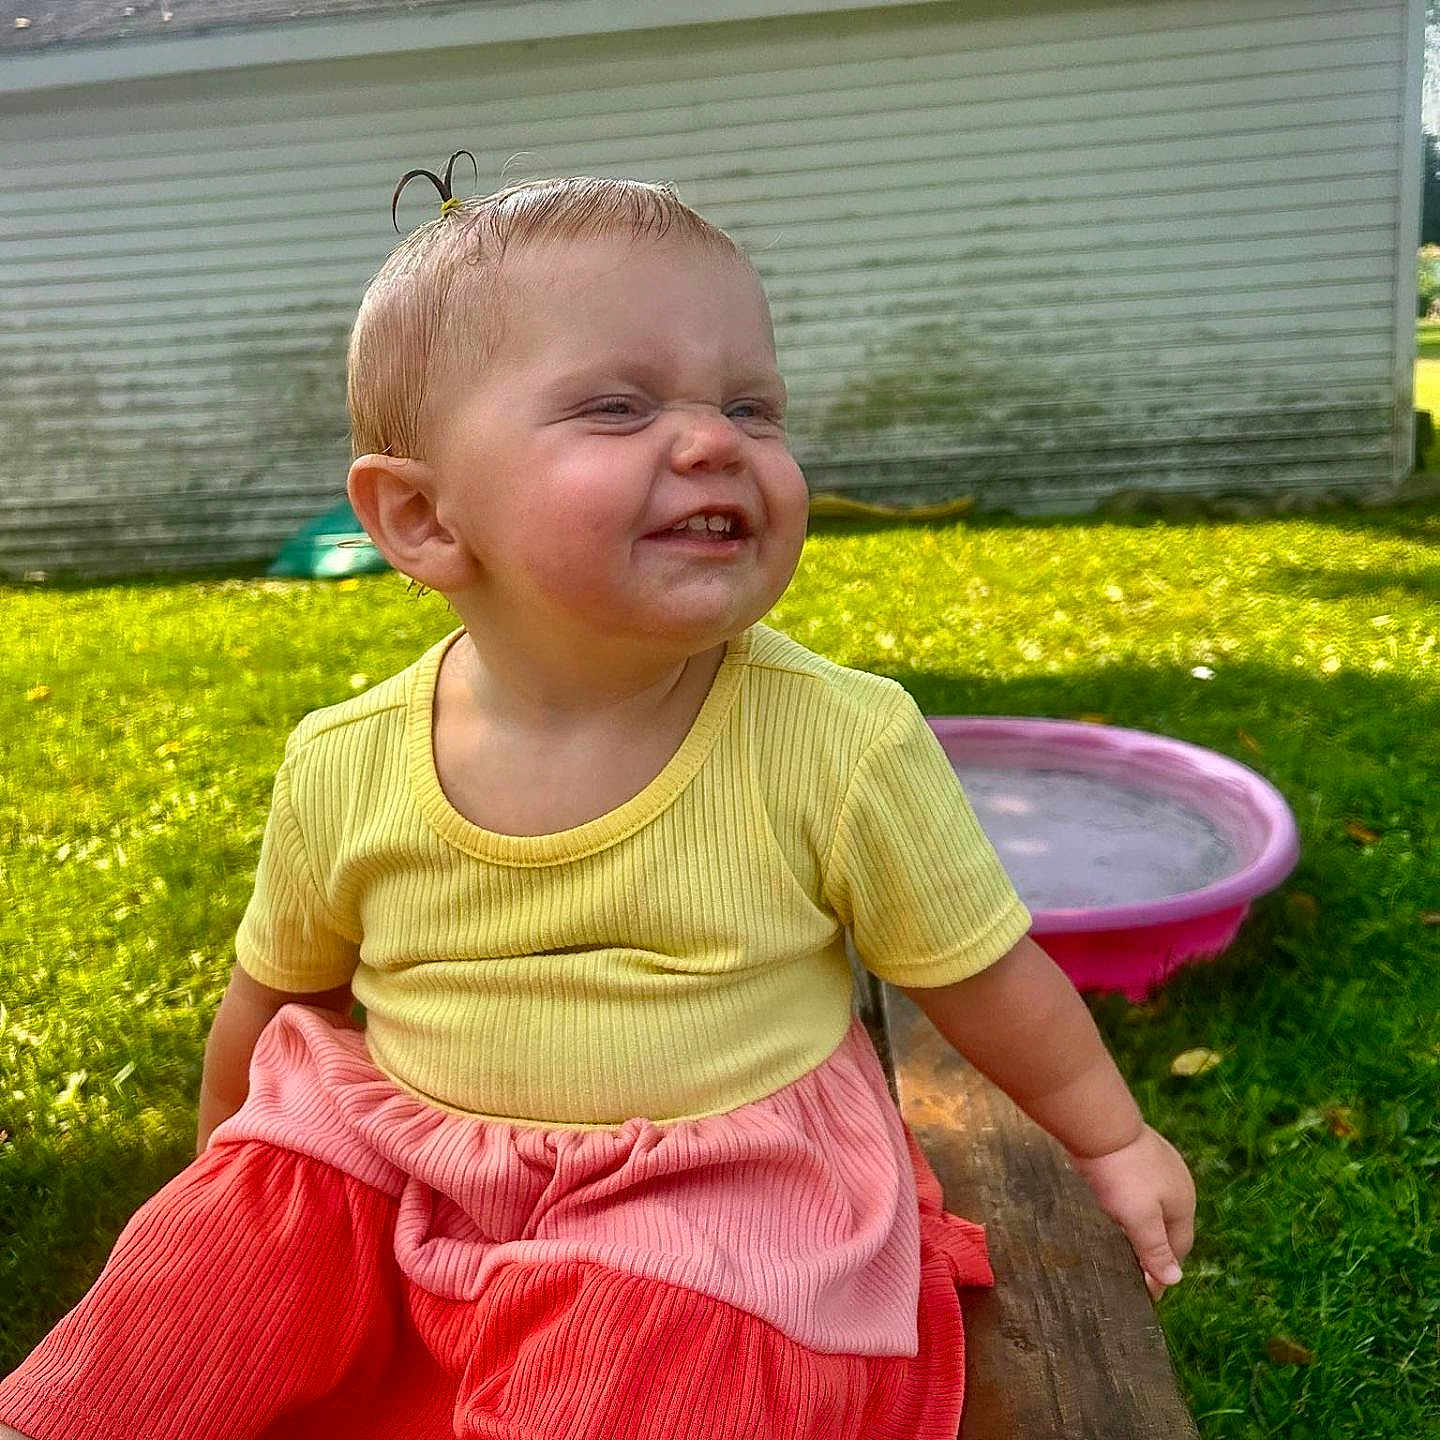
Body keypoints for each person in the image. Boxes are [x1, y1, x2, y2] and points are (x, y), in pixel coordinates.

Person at [0, 167, 1195, 1440]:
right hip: (402, 1157)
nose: (714, 442)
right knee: (194, 1299)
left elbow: (981, 971)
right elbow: (273, 998)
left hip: (704, 1193)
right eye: (618, 406)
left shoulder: (836, 740)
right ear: (422, 515)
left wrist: (1111, 1140)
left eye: (752, 406)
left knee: (647, 1371)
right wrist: (221, 1186)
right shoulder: (344, 762)